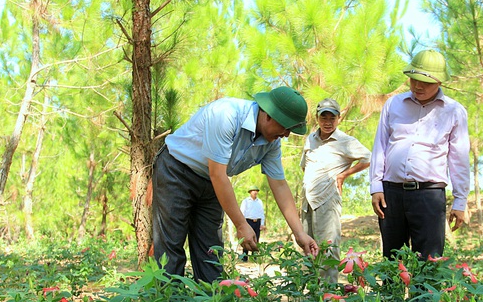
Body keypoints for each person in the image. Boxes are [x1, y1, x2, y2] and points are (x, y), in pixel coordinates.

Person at [152, 86, 319, 283]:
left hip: (212, 183)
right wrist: (241, 224)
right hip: (177, 171)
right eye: (286, 128)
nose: (287, 135)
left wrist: (300, 234)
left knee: (211, 253)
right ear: (269, 116)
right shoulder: (226, 114)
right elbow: (218, 174)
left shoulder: (272, 143)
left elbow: (280, 185)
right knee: (170, 249)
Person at [369, 49, 470, 260]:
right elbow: (380, 146)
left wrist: (460, 201)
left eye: (426, 81)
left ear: (440, 81)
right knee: (392, 261)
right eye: (414, 79)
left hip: (429, 196)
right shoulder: (393, 104)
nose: (418, 86)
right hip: (391, 195)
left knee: (428, 263)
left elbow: (459, 159)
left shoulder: (454, 111)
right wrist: (376, 187)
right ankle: (391, 295)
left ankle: (423, 294)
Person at [300, 98, 371, 282]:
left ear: (339, 118)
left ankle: (329, 295)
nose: (328, 122)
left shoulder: (346, 141)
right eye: (324, 117)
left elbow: (369, 158)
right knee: (306, 248)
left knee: (328, 248)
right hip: (307, 200)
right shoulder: (311, 139)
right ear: (317, 118)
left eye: (332, 117)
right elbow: (304, 166)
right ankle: (308, 296)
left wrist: (344, 175)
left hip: (328, 200)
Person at [240, 186, 266, 261]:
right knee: (246, 238)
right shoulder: (245, 201)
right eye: (253, 191)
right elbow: (242, 212)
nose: (255, 192)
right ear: (250, 192)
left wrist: (262, 224)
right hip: (248, 221)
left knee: (256, 239)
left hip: (257, 222)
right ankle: (245, 257)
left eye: (256, 191)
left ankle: (254, 257)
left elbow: (261, 213)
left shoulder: (259, 202)